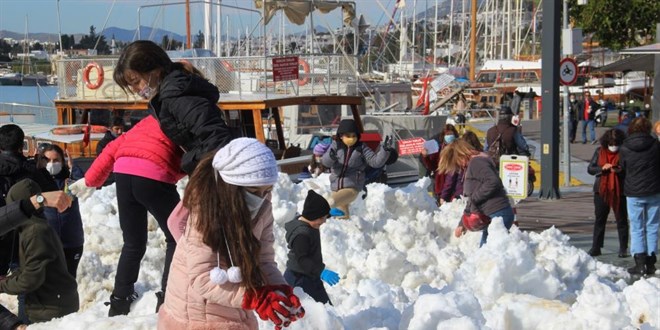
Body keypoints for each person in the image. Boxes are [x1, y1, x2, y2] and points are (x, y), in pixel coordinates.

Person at [158, 138, 304, 329]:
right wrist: (256, 298)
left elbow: (264, 259)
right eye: (253, 190)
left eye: (267, 190)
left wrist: (278, 289)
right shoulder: (205, 210)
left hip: (236, 303)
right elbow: (202, 278)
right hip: (197, 311)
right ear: (231, 186)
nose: (260, 198)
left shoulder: (262, 207)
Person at [68, 115, 186, 316]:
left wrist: (91, 180)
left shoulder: (146, 121)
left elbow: (112, 149)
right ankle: (169, 297)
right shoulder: (183, 118)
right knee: (178, 235)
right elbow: (195, 153)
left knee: (133, 242)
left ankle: (120, 301)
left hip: (124, 174)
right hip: (154, 174)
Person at [113, 40, 234, 174]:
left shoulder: (176, 95)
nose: (135, 89)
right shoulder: (170, 92)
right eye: (131, 85)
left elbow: (218, 137)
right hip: (209, 169)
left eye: (136, 82)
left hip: (214, 173)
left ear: (156, 71)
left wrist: (189, 162)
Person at [0, 179, 79, 324]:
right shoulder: (32, 227)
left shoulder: (34, 231)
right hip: (48, 303)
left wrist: (2, 285)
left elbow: (31, 279)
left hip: (50, 309)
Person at [320, 119, 394, 219]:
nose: (351, 138)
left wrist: (385, 150)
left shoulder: (361, 148)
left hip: (352, 188)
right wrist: (331, 157)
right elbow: (325, 162)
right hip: (336, 188)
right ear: (341, 136)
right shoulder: (336, 146)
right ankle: (346, 231)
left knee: (330, 202)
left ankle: (309, 218)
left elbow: (375, 162)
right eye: (348, 136)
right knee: (342, 218)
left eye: (354, 136)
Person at [446, 140, 514, 246]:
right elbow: (472, 198)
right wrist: (462, 223)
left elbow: (493, 181)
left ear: (461, 155)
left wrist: (475, 198)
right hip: (494, 214)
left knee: (487, 253)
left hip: (498, 213)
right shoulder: (474, 164)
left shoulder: (476, 163)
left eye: (457, 161)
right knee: (486, 252)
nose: (459, 166)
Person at [33, 144, 85, 278]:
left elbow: (80, 188)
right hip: (47, 243)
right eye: (47, 160)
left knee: (69, 279)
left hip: (71, 241)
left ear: (63, 161)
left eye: (56, 160)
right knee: (48, 282)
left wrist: (74, 168)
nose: (51, 164)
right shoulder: (37, 181)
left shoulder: (69, 180)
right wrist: (35, 165)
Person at [619, 117, 660, 276]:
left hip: (633, 192)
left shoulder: (625, 147)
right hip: (654, 190)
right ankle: (651, 261)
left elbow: (623, 168)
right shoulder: (656, 145)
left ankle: (639, 262)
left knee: (636, 227)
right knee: (652, 225)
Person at [284, 190, 338, 305]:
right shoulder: (301, 235)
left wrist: (328, 213)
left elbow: (314, 215)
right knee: (305, 311)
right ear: (313, 216)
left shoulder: (309, 220)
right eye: (322, 218)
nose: (324, 221)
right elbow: (302, 259)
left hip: (310, 274)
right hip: (299, 279)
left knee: (326, 309)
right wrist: (321, 272)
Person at [586, 129, 629, 258]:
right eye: (611, 143)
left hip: (619, 190)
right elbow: (590, 169)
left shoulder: (624, 152)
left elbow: (629, 169)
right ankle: (596, 246)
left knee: (621, 219)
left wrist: (619, 171)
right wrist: (601, 168)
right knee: (600, 219)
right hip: (601, 190)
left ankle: (623, 248)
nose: (613, 146)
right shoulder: (599, 151)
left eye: (616, 143)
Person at [421, 124, 460, 204]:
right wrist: (425, 156)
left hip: (456, 185)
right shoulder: (438, 148)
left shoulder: (459, 148)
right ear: (443, 136)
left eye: (451, 134)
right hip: (441, 184)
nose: (449, 136)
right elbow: (432, 166)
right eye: (447, 134)